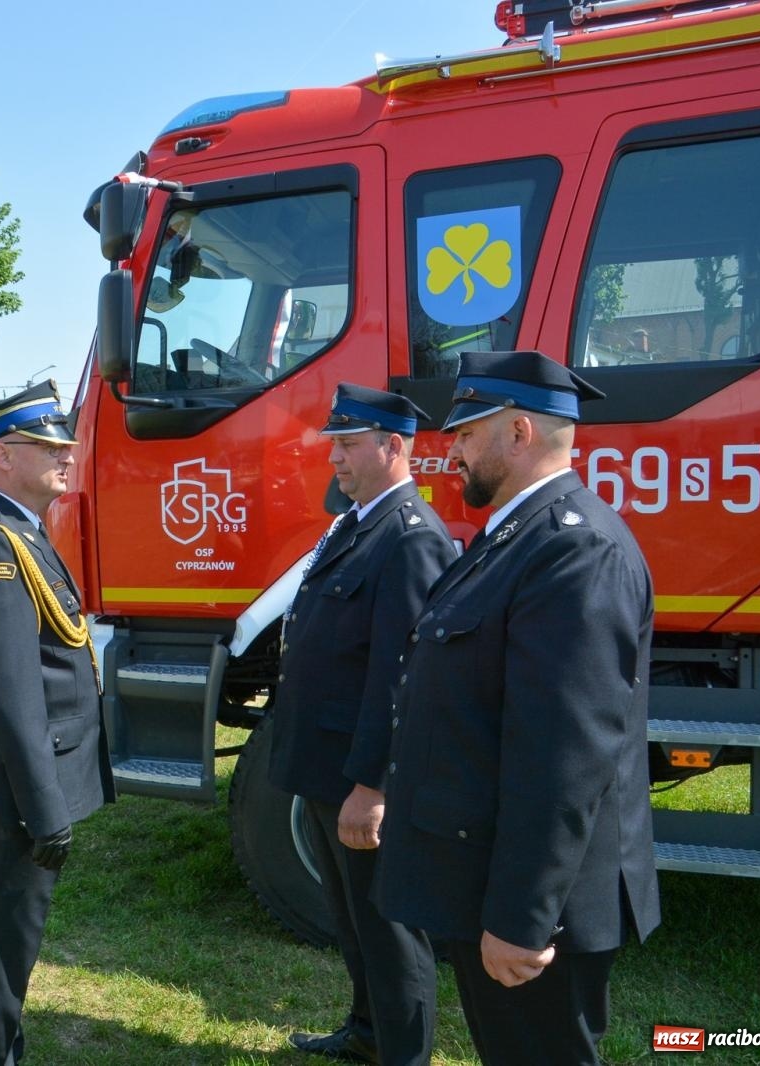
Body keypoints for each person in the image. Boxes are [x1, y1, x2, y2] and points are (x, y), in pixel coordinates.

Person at [375, 351, 660, 1066]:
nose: (453, 451)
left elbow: (562, 757)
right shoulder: (515, 535)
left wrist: (520, 919)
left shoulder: (575, 549)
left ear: (520, 433)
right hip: (492, 876)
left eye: (468, 434)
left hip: (537, 909)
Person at [269, 384, 455, 1065]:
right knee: (351, 918)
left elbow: (403, 680)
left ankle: (402, 1053)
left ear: (393, 446)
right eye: (335, 446)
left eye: (348, 446)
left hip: (360, 775)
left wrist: (372, 786)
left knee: (388, 927)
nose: (335, 460)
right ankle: (368, 1031)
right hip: (326, 767)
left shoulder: (409, 539)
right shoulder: (357, 523)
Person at [0, 381, 115, 1066]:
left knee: (15, 942)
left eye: (65, 447)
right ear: (4, 456)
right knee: (3, 947)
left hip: (30, 781)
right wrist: (46, 812)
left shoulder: (21, 531)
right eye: (49, 448)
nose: (66, 458)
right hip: (19, 792)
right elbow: (11, 694)